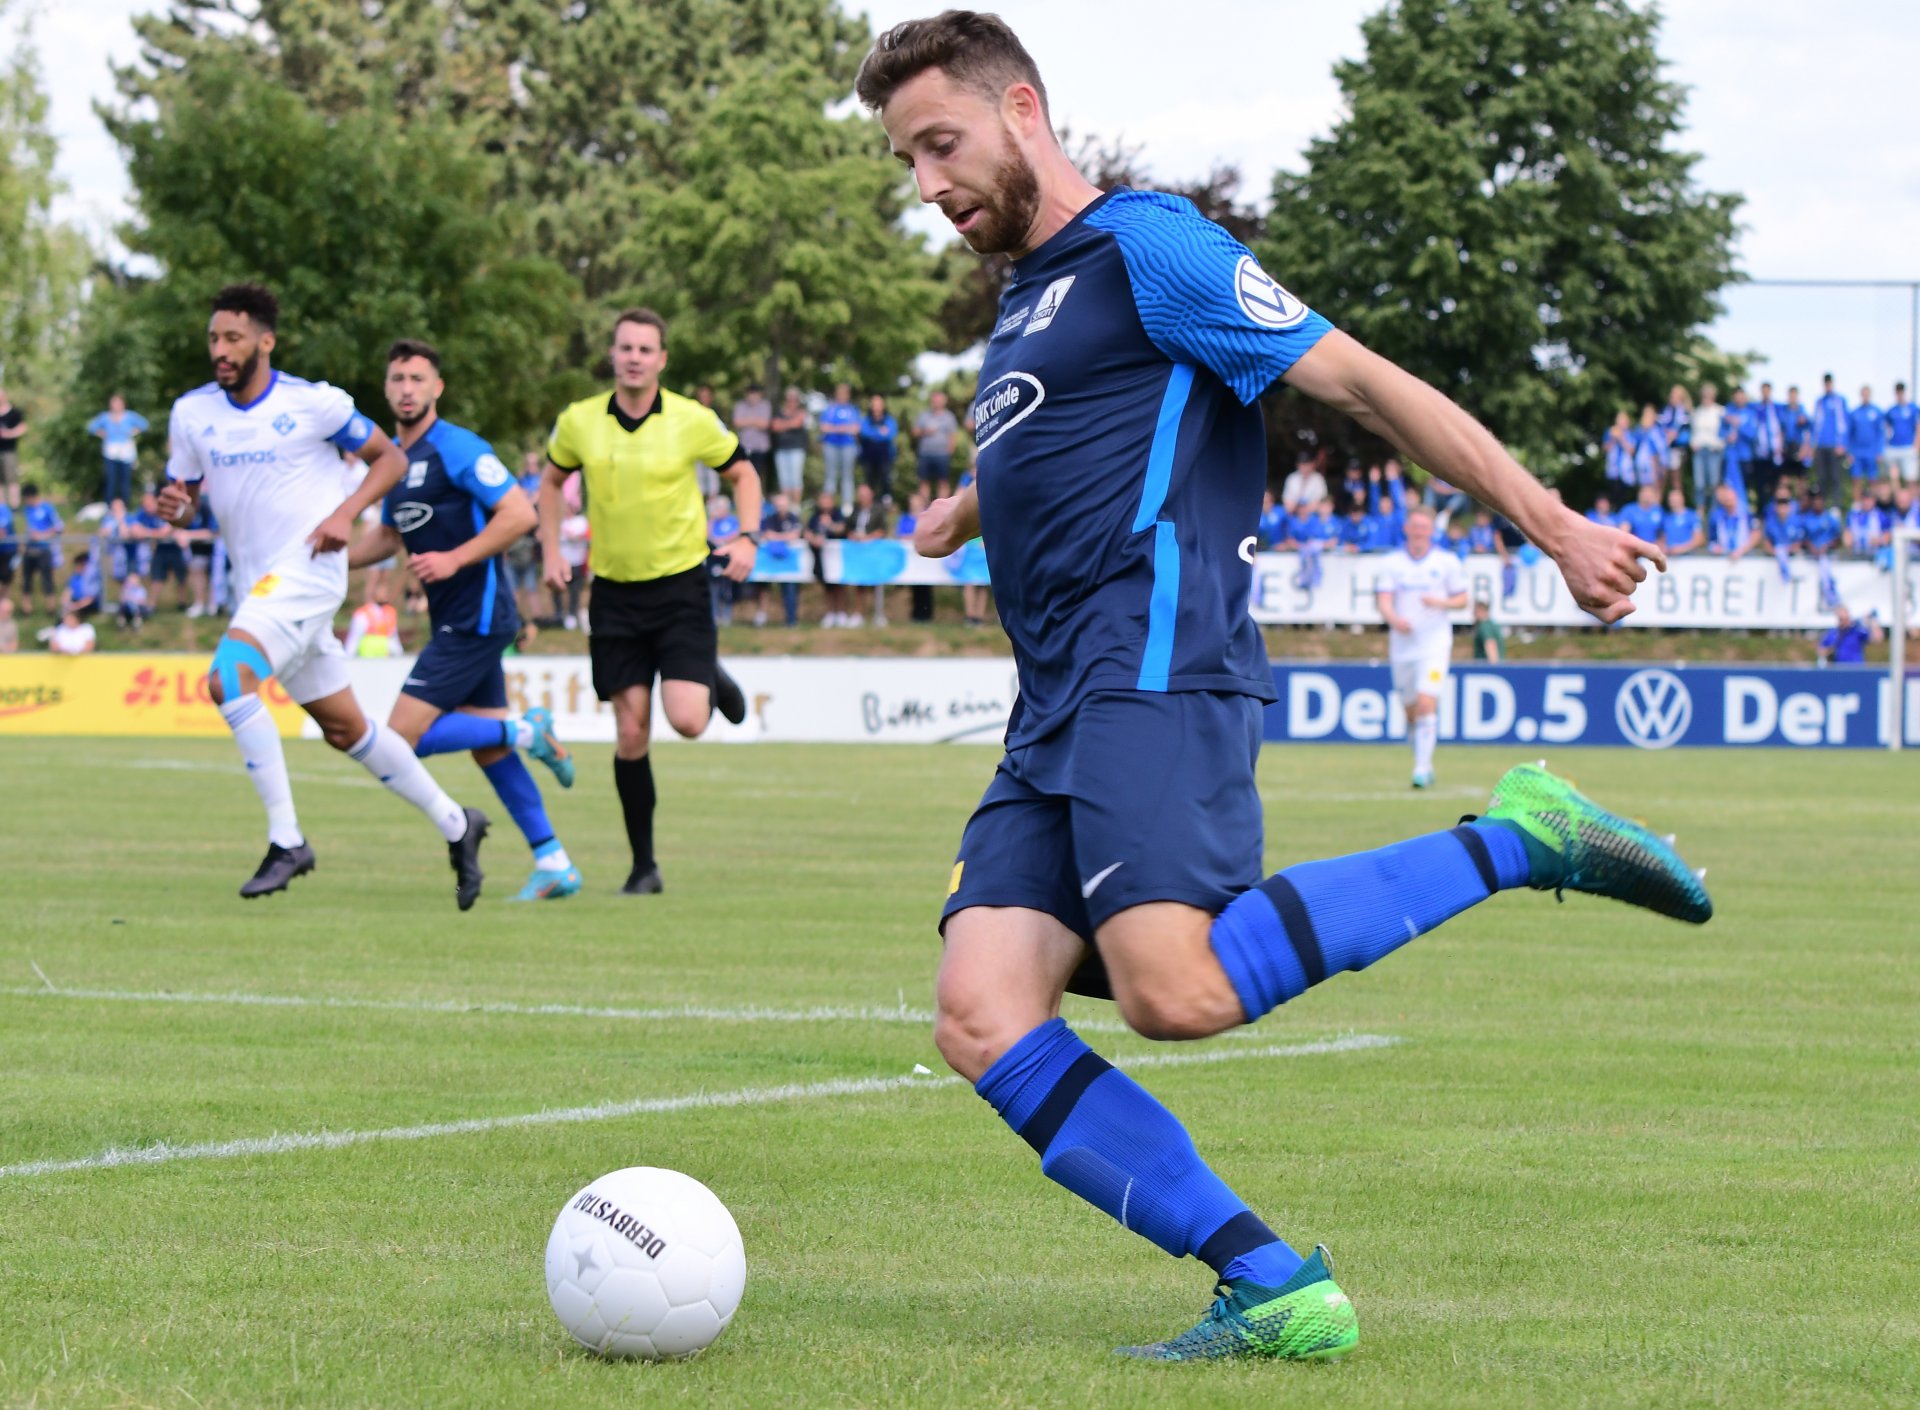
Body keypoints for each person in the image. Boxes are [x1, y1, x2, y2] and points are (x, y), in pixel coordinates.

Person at [860, 10, 1707, 1365]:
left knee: (1172, 990)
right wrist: (966, 507)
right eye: (905, 160)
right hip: (1054, 701)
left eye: (939, 144)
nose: (925, 185)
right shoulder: (1028, 294)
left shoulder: (1152, 245)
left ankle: (1519, 836)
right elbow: (1069, 430)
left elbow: (1361, 380)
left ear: (1023, 109)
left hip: (1154, 659)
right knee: (981, 1009)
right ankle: (1268, 1279)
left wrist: (1551, 526)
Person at [156, 283, 490, 904]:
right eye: (213, 339)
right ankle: (457, 822)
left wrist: (346, 513)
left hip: (307, 575)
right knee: (347, 729)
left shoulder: (314, 404)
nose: (220, 350)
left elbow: (387, 459)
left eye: (233, 338)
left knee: (228, 680)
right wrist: (174, 508)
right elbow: (184, 495)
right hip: (257, 587)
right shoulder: (192, 413)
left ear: (265, 341)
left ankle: (288, 841)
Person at [348, 338, 581, 902]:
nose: (407, 389)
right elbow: (389, 536)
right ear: (386, 388)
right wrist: (325, 555)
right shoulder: (394, 465)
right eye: (398, 378)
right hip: (454, 620)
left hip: (477, 618)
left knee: (402, 739)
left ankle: (529, 731)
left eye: (417, 379)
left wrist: (455, 557)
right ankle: (554, 861)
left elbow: (520, 514)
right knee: (487, 749)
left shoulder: (456, 448)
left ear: (437, 388)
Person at [541, 308, 758, 896]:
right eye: (625, 348)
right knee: (630, 735)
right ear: (612, 355)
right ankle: (644, 867)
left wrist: (746, 535)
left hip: (680, 587)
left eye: (646, 349)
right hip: (613, 595)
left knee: (687, 721)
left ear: (662, 359)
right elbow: (549, 483)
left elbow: (743, 474)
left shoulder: (691, 419)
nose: (634, 357)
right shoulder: (579, 422)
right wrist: (551, 549)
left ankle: (705, 672)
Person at [1376, 505, 1467, 787]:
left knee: (1428, 701)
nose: (1419, 533)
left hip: (1435, 644)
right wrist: (1394, 618)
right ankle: (1421, 758)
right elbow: (1384, 599)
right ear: (1407, 529)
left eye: (1424, 528)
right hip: (1403, 646)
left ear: (1431, 531)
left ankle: (1421, 767)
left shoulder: (1447, 562)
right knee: (1410, 710)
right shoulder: (1393, 562)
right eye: (1414, 527)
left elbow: (1462, 599)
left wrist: (1439, 602)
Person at [85, 394, 151, 508]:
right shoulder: (105, 417)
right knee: (111, 480)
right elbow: (91, 427)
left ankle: (125, 506)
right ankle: (110, 506)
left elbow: (144, 424)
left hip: (126, 451)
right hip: (111, 451)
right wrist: (102, 433)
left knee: (125, 480)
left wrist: (134, 431)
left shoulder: (129, 416)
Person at [848, 481, 891, 625]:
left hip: (874, 552)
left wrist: (867, 538)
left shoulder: (878, 510)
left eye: (864, 494)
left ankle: (878, 615)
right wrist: (853, 536)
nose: (862, 497)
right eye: (860, 495)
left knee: (876, 585)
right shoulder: (855, 510)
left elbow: (882, 530)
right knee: (859, 584)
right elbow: (848, 528)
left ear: (871, 495)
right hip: (859, 553)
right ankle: (858, 613)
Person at [805, 488, 850, 626]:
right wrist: (814, 539)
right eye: (822, 499)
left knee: (839, 587)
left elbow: (842, 529)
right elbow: (807, 531)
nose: (824, 502)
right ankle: (830, 613)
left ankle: (841, 613)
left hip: (837, 558)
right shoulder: (815, 516)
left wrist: (829, 524)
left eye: (826, 499)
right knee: (827, 587)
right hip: (821, 558)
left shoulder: (838, 514)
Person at [760, 490, 804, 627]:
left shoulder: (793, 518)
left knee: (790, 591)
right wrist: (785, 536)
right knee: (764, 588)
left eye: (783, 505)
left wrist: (777, 536)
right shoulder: (770, 519)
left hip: (790, 564)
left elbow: (795, 534)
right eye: (778, 505)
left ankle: (791, 620)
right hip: (771, 562)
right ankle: (762, 617)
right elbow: (767, 534)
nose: (780, 508)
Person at [1745, 381, 1791, 508]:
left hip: (1775, 453)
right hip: (1760, 454)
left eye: (1767, 391)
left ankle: (1773, 510)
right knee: (1760, 485)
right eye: (1763, 391)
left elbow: (1783, 426)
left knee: (1775, 484)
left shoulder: (1777, 408)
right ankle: (1761, 512)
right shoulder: (1755, 408)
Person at [18, 482, 60, 614]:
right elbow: (27, 528)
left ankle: (51, 608)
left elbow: (58, 527)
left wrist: (42, 536)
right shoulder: (27, 510)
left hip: (44, 549)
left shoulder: (47, 508)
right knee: (26, 580)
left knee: (47, 580)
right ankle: (26, 609)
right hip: (29, 550)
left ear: (31, 496)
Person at [818, 382, 861, 506]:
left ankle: (847, 504)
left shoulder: (852, 410)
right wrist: (842, 429)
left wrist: (836, 428)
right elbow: (823, 427)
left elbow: (856, 428)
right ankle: (828, 504)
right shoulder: (830, 409)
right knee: (830, 475)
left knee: (847, 476)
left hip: (848, 446)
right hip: (831, 445)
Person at [913, 389, 960, 499]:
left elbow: (952, 436)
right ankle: (925, 509)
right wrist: (925, 431)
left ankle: (942, 509)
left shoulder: (949, 417)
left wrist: (950, 451)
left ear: (944, 401)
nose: (936, 402)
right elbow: (915, 432)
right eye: (935, 400)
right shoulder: (923, 415)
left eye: (939, 400)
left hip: (942, 455)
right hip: (925, 454)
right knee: (924, 482)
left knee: (943, 482)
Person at [1811, 374, 1849, 505]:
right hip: (1821, 445)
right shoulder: (1820, 402)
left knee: (1835, 477)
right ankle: (1822, 506)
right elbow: (1816, 424)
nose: (1827, 385)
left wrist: (1843, 443)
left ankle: (1836, 506)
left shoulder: (1839, 401)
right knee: (1821, 478)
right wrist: (1813, 444)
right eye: (1825, 383)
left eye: (1829, 383)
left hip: (1835, 445)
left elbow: (1844, 423)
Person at [731, 384, 774, 495]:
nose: (753, 396)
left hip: (760, 447)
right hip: (745, 446)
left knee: (759, 474)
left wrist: (747, 421)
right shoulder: (740, 405)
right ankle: (745, 496)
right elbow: (737, 422)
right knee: (744, 474)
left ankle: (758, 497)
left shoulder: (765, 405)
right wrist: (755, 421)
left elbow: (765, 424)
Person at [771, 386, 810, 501]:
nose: (792, 402)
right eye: (789, 399)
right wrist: (790, 423)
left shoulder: (802, 412)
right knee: (784, 480)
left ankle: (796, 506)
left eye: (794, 399)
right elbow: (774, 426)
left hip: (796, 449)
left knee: (795, 479)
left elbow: (797, 423)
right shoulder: (779, 412)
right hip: (781, 449)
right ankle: (786, 507)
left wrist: (783, 424)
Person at [858, 394, 899, 503]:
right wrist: (879, 433)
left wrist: (874, 435)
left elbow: (890, 435)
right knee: (870, 478)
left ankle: (886, 498)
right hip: (869, 456)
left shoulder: (889, 420)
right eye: (874, 404)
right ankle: (871, 500)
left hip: (885, 455)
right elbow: (864, 433)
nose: (876, 407)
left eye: (878, 404)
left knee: (885, 477)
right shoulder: (866, 420)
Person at [345, 579, 401, 657]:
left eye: (386, 592)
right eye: (381, 592)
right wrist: (349, 657)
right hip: (366, 656)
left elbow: (394, 636)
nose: (385, 595)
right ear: (374, 593)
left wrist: (399, 655)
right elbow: (354, 638)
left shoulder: (390, 612)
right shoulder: (363, 614)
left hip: (385, 656)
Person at [1688, 383, 1724, 507]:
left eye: (1709, 396)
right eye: (1704, 396)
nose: (1706, 398)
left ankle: (1713, 511)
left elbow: (1724, 432)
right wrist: (1692, 443)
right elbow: (1693, 432)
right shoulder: (1697, 412)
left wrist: (1719, 444)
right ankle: (1700, 511)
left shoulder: (1720, 411)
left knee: (1713, 483)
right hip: (1699, 451)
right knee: (1699, 483)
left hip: (1714, 451)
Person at [1847, 385, 1886, 485]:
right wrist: (1850, 452)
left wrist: (1879, 451)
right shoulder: (1855, 413)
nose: (1865, 396)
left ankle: (1872, 500)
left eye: (1867, 394)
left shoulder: (1877, 412)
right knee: (1856, 478)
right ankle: (1857, 501)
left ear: (1870, 395)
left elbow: (1881, 433)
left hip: (1871, 451)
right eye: (1863, 394)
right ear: (1861, 395)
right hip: (1857, 452)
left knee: (1873, 479)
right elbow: (1849, 434)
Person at [1656, 384, 1691, 495]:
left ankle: (1678, 508)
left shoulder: (1685, 413)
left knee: (1676, 479)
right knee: (1660, 479)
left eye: (1676, 395)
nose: (1673, 397)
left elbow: (1686, 433)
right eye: (1672, 395)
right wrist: (1665, 436)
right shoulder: (1664, 411)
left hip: (1677, 449)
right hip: (1662, 449)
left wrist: (1675, 436)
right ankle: (1656, 507)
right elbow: (1657, 427)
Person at [1706, 482, 1757, 559]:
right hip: (1723, 559)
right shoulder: (1716, 516)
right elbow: (1711, 541)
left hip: (1745, 558)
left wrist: (1741, 550)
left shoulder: (1747, 513)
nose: (1728, 501)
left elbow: (1756, 534)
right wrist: (1714, 548)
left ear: (1735, 495)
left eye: (1730, 498)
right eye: (1726, 500)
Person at [1887, 382, 1918, 485]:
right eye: (1897, 392)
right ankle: (1898, 500)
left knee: (1911, 477)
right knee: (1894, 477)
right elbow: (1887, 427)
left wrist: (1917, 444)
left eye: (1901, 392)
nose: (1899, 394)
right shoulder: (1891, 410)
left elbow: (1918, 426)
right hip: (1894, 446)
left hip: (1908, 446)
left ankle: (1913, 501)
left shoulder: (1913, 409)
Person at [0, 385, 25, 509]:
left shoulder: (14, 413)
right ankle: (2, 507)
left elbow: (23, 428)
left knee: (12, 479)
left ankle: (15, 507)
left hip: (9, 451)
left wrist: (9, 434)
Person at [1661, 487, 1703, 556]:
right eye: (1671, 499)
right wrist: (1664, 547)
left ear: (1682, 499)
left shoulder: (1692, 516)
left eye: (1676, 499)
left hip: (1688, 557)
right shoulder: (1667, 518)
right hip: (1670, 557)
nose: (1673, 501)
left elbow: (1699, 539)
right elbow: (1663, 539)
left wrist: (1682, 549)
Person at [63, 549, 101, 618]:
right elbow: (68, 592)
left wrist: (76, 606)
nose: (76, 568)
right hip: (76, 603)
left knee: (73, 615)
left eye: (79, 565)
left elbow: (90, 599)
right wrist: (66, 604)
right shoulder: (74, 578)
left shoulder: (92, 579)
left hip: (86, 606)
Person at [1470, 595, 1503, 662]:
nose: (1473, 614)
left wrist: (1494, 668)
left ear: (1480, 610)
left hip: (1485, 669)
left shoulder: (1484, 627)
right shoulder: (1492, 624)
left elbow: (1490, 644)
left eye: (1475, 611)